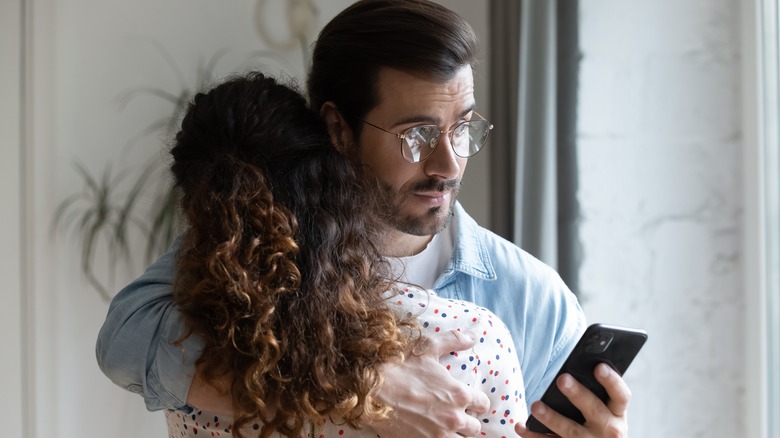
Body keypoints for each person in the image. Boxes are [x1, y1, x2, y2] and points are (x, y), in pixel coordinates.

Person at [97, 1, 633, 437]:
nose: (448, 164)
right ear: (338, 128)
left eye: (463, 128)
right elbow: (126, 344)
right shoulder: (258, 251)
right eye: (417, 136)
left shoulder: (531, 298)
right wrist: (360, 392)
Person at [160, 71, 526, 437]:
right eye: (416, 135)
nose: (446, 162)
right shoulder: (470, 338)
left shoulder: (186, 352)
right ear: (330, 177)